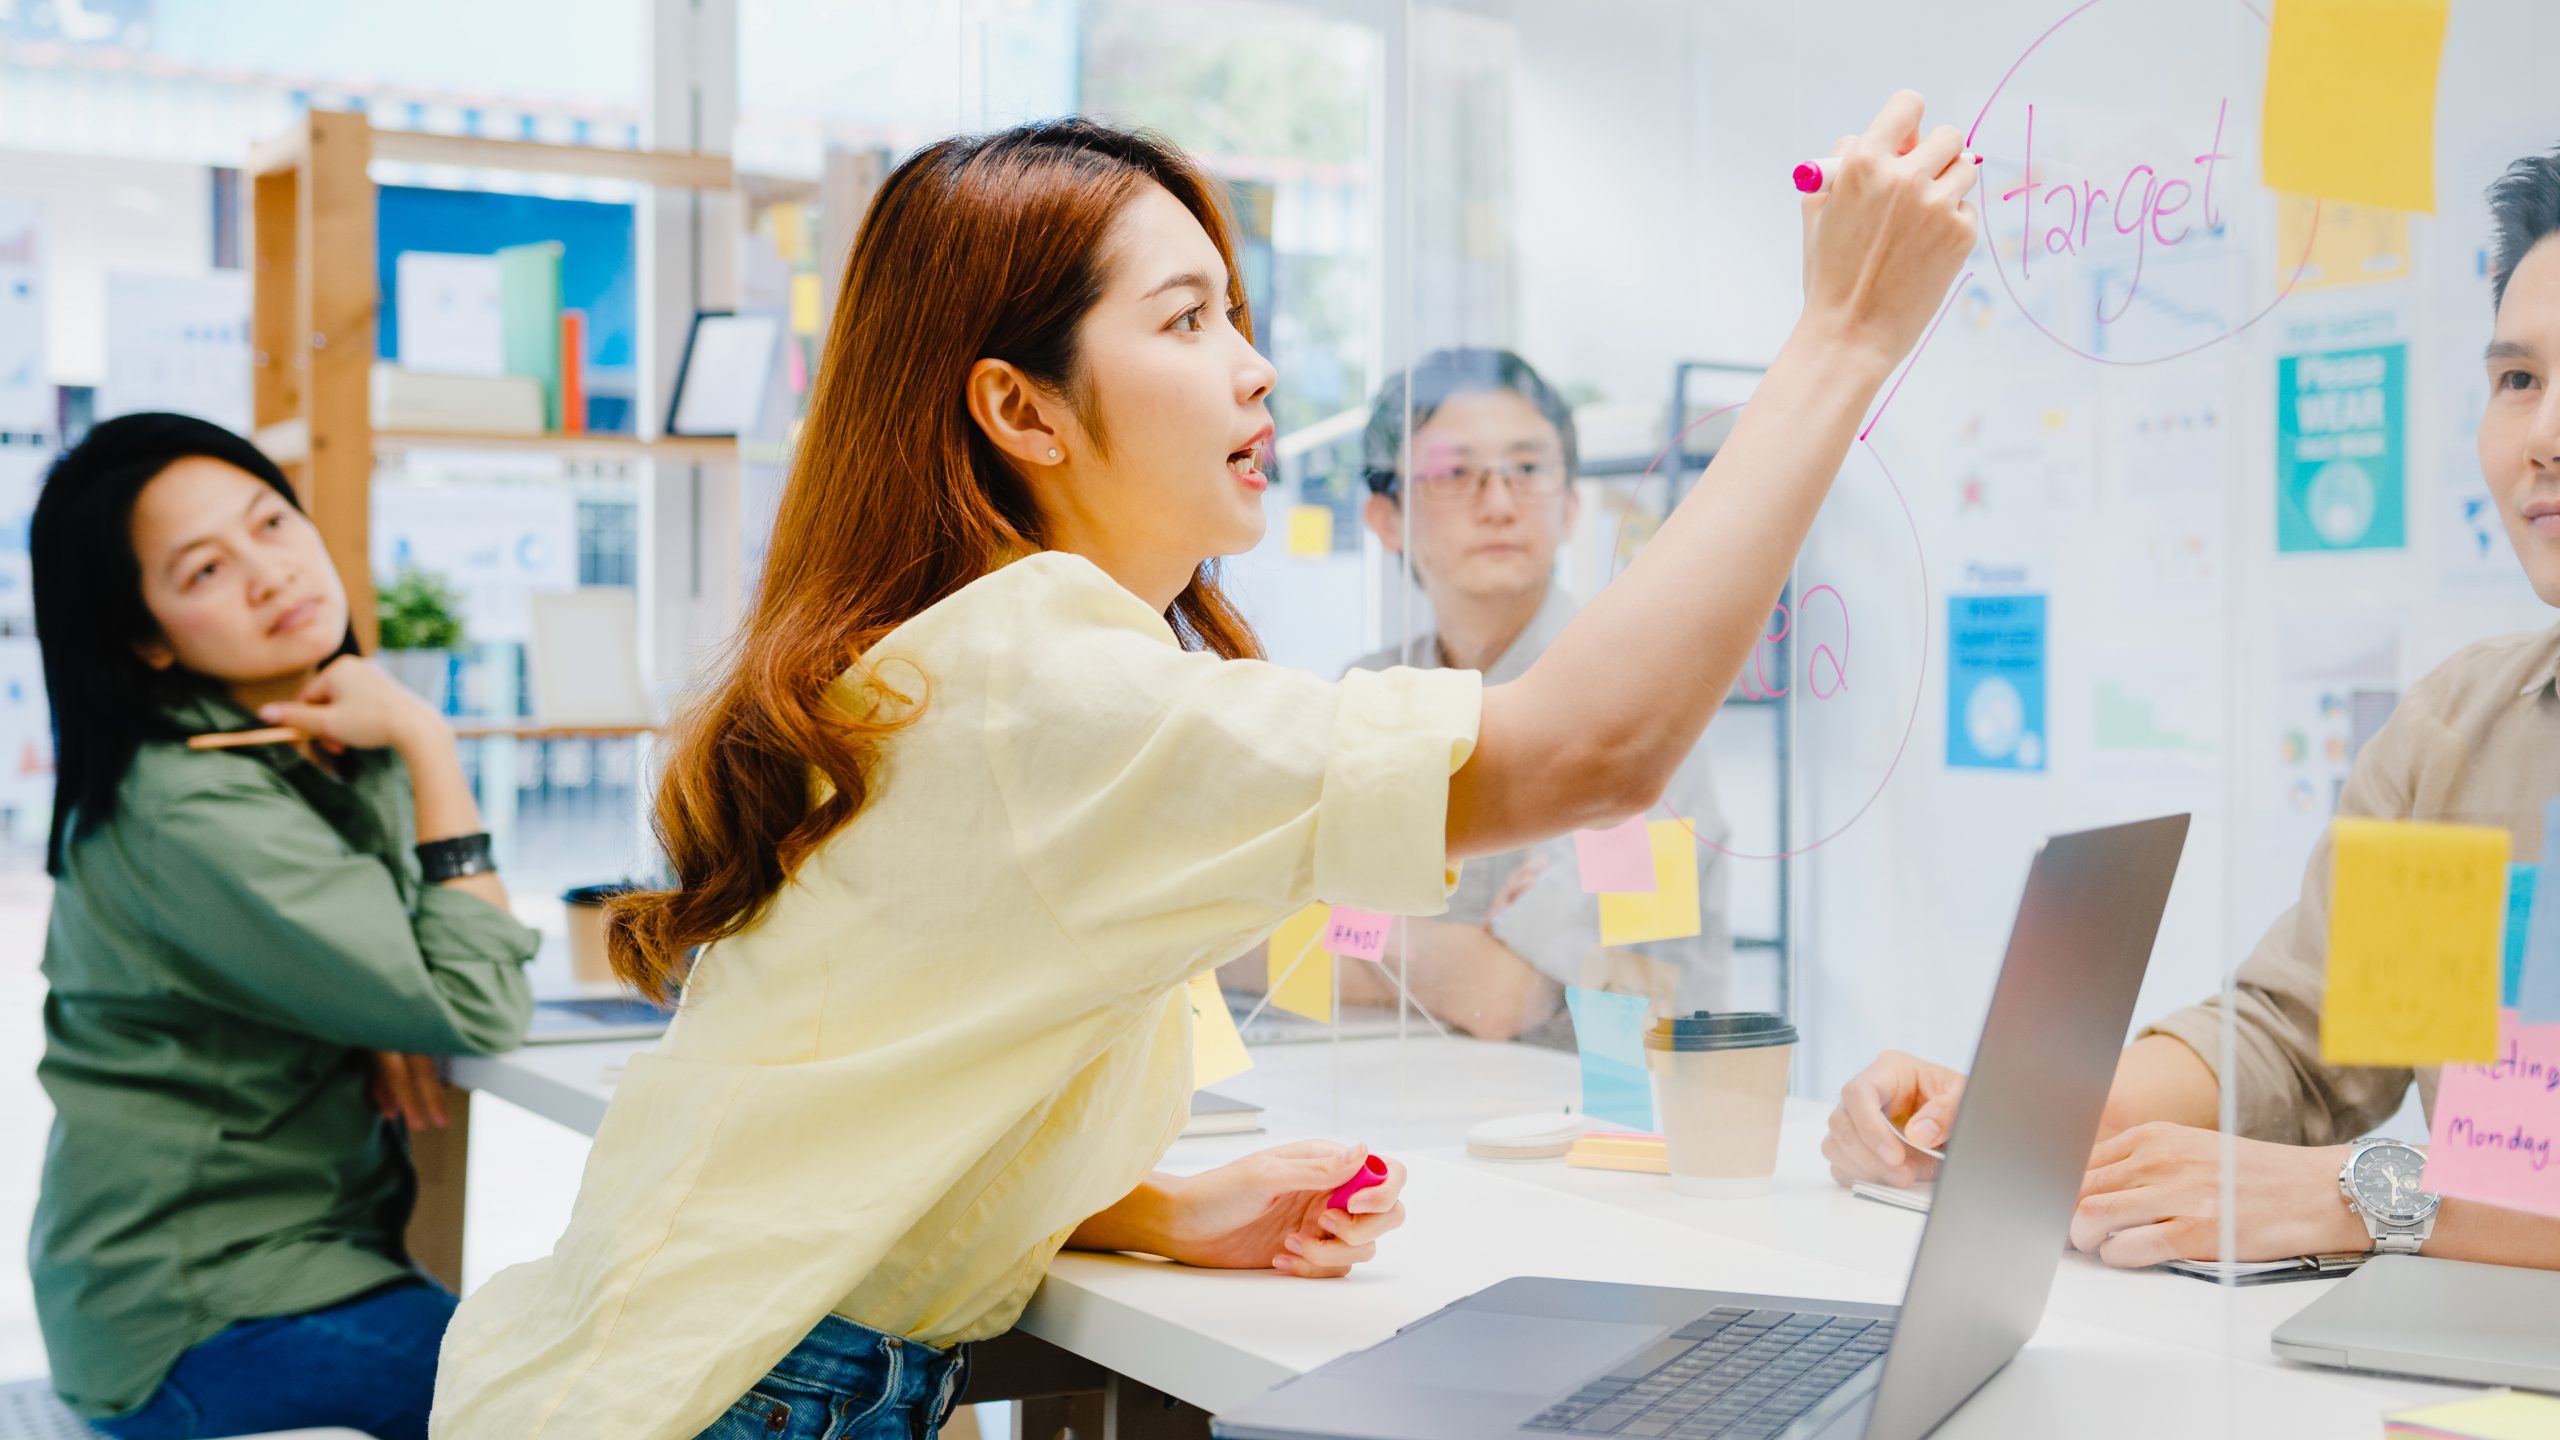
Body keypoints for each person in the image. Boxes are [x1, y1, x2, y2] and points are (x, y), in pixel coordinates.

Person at [430, 95, 1975, 1440]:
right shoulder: (1044, 676)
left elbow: (869, 1104)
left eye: (1235, 316)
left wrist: (1137, 1205)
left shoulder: (987, 670)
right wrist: (1845, 335)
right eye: (1185, 323)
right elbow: (1592, 750)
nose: (1253, 374)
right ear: (1019, 407)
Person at [1820, 145, 2560, 1275]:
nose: (2542, 437)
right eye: (2517, 380)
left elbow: (2365, 1170)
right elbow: (2313, 1041)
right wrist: (2027, 1115)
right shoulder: (2464, 736)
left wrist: (2373, 1196)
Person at [27, 413, 540, 1440]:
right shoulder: (187, 808)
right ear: (148, 638)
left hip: (286, 1273)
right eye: (207, 569)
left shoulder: (297, 741)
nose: (270, 573)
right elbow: (478, 1003)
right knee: (604, 1386)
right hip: (198, 1321)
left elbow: (430, 974)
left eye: (271, 522)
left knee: (633, 1352)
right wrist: (425, 737)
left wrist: (385, 999)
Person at [1337, 347, 1732, 1042]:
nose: (1498, 504)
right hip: (1425, 1109)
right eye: (1455, 473)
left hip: (1621, 1126)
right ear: (1385, 516)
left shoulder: (1637, 706)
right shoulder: (1371, 696)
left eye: (1527, 470)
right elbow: (1245, 943)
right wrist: (1438, 946)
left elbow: (1499, 995)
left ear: (1571, 506)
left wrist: (1356, 932)